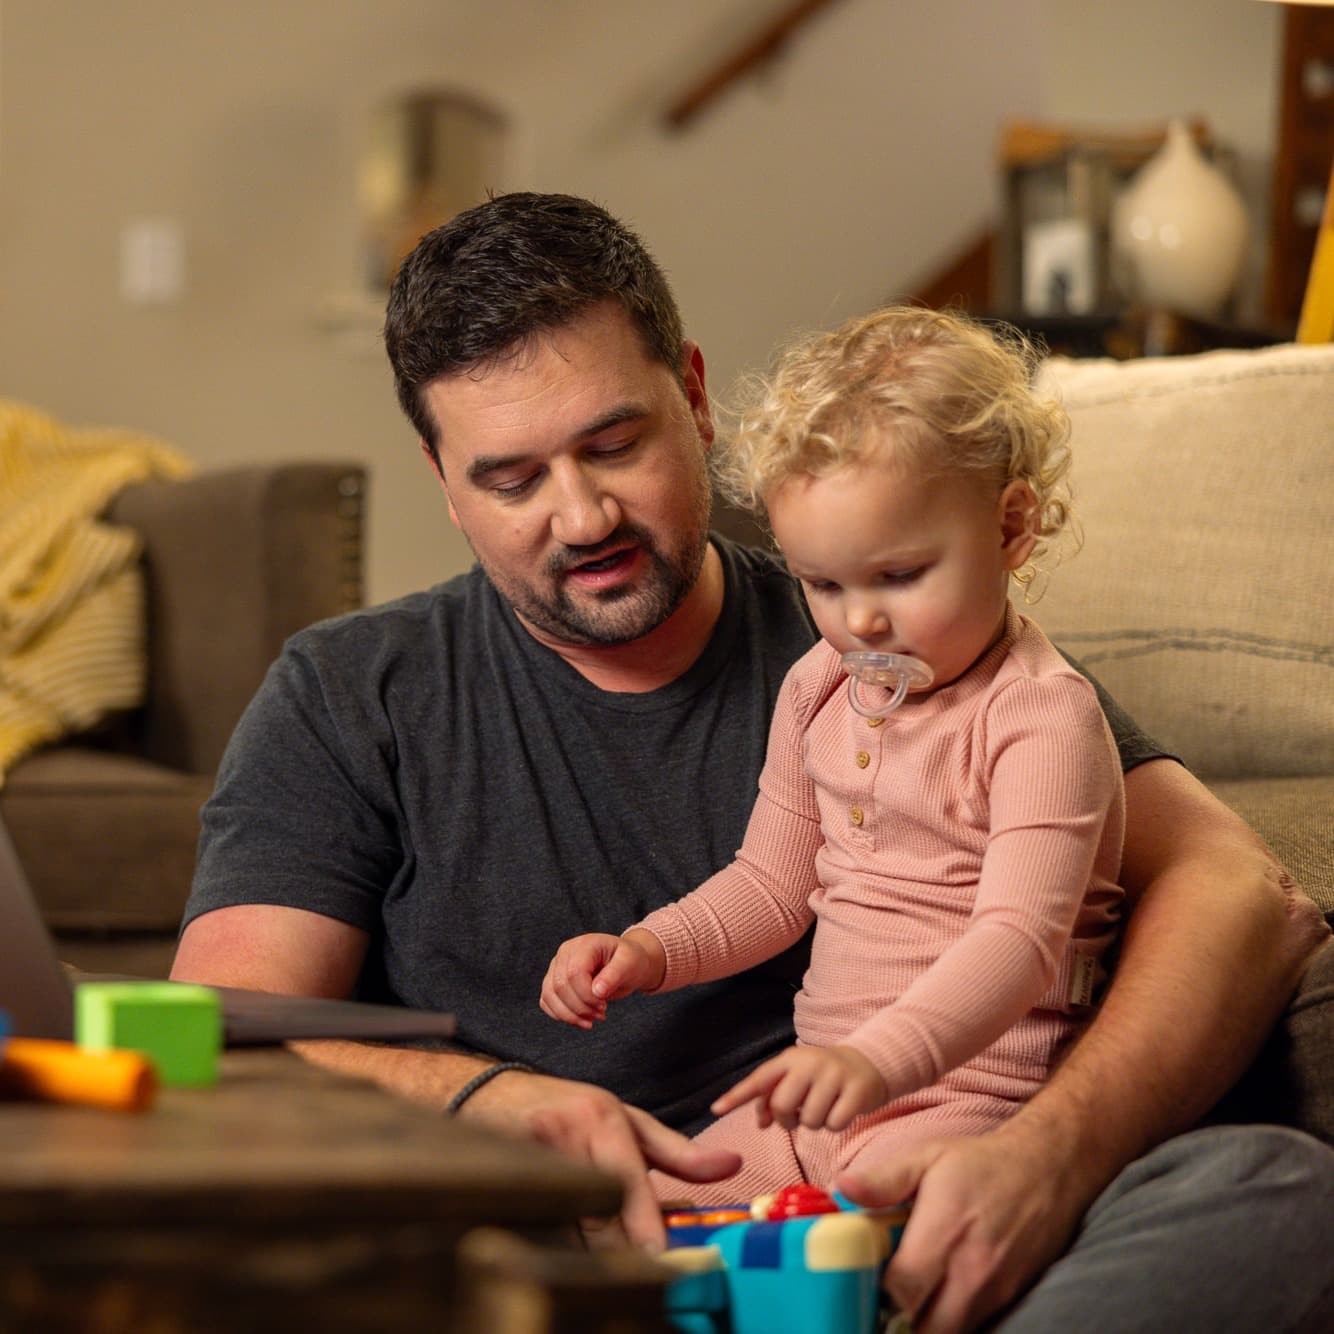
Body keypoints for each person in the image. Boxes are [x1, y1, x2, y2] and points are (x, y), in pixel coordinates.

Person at [170, 193, 1332, 1332]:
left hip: (894, 1199)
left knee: (1277, 1192)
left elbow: (1244, 896)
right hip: (559, 1260)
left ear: (691, 395)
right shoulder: (350, 690)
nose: (580, 516)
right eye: (511, 478)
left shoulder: (897, 631)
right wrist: (488, 1099)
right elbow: (217, 1021)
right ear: (442, 482)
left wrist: (1047, 1158)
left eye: (613, 444)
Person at [541, 307, 1127, 1198]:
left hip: (976, 1097)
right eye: (823, 583)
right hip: (821, 1086)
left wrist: (878, 1063)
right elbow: (771, 886)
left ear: (1010, 530)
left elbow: (1020, 942)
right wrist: (649, 949)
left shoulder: (1040, 719)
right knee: (654, 1208)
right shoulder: (819, 687)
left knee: (869, 1229)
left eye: (898, 576)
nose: (861, 621)